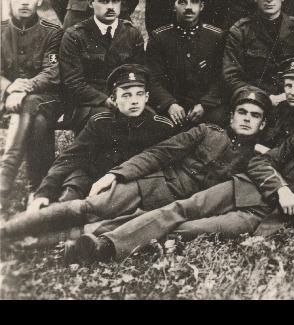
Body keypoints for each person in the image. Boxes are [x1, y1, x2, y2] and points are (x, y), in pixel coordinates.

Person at [64, 96, 294, 264]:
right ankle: (105, 245)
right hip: (243, 189)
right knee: (176, 210)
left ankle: (100, 235)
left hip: (259, 215)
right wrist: (282, 188)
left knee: (188, 229)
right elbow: (262, 162)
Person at [0, 88, 269, 248]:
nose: (247, 119)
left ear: (263, 125)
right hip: (149, 185)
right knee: (87, 208)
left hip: (171, 211)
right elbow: (157, 154)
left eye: (254, 116)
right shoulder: (205, 131)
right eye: (242, 112)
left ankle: (33, 242)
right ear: (231, 116)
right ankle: (9, 232)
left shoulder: (254, 160)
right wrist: (115, 174)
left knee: (100, 229)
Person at [29, 65, 175, 208]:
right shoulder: (100, 123)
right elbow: (70, 158)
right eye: (126, 95)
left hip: (135, 190)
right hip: (95, 183)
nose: (135, 101)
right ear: (113, 99)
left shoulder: (161, 127)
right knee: (66, 201)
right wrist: (44, 192)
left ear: (147, 97)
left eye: (139, 94)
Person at [0, 0, 64, 211]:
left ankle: (4, 179)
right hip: (7, 101)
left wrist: (23, 88)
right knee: (37, 122)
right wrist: (9, 88)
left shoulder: (52, 32)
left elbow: (52, 73)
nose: (25, 1)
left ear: (39, 0)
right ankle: (37, 188)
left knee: (34, 107)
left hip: (47, 97)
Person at [59, 0, 146, 130]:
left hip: (124, 99)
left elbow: (138, 73)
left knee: (153, 121)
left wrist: (125, 98)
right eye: (104, 1)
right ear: (91, 3)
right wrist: (105, 100)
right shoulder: (75, 35)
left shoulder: (132, 34)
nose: (111, 7)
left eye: (115, 1)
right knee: (107, 122)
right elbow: (73, 82)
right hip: (87, 104)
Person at [146, 0, 227, 128]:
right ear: (173, 6)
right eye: (182, 2)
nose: (188, 7)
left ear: (202, 6)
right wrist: (169, 104)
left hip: (205, 108)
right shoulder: (159, 37)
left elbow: (222, 77)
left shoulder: (216, 36)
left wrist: (205, 104)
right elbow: (152, 78)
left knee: (220, 121)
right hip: (172, 108)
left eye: (194, 1)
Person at [222, 0, 294, 102]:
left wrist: (288, 95)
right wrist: (264, 97)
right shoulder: (240, 31)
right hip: (254, 101)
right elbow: (231, 76)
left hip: (293, 99)